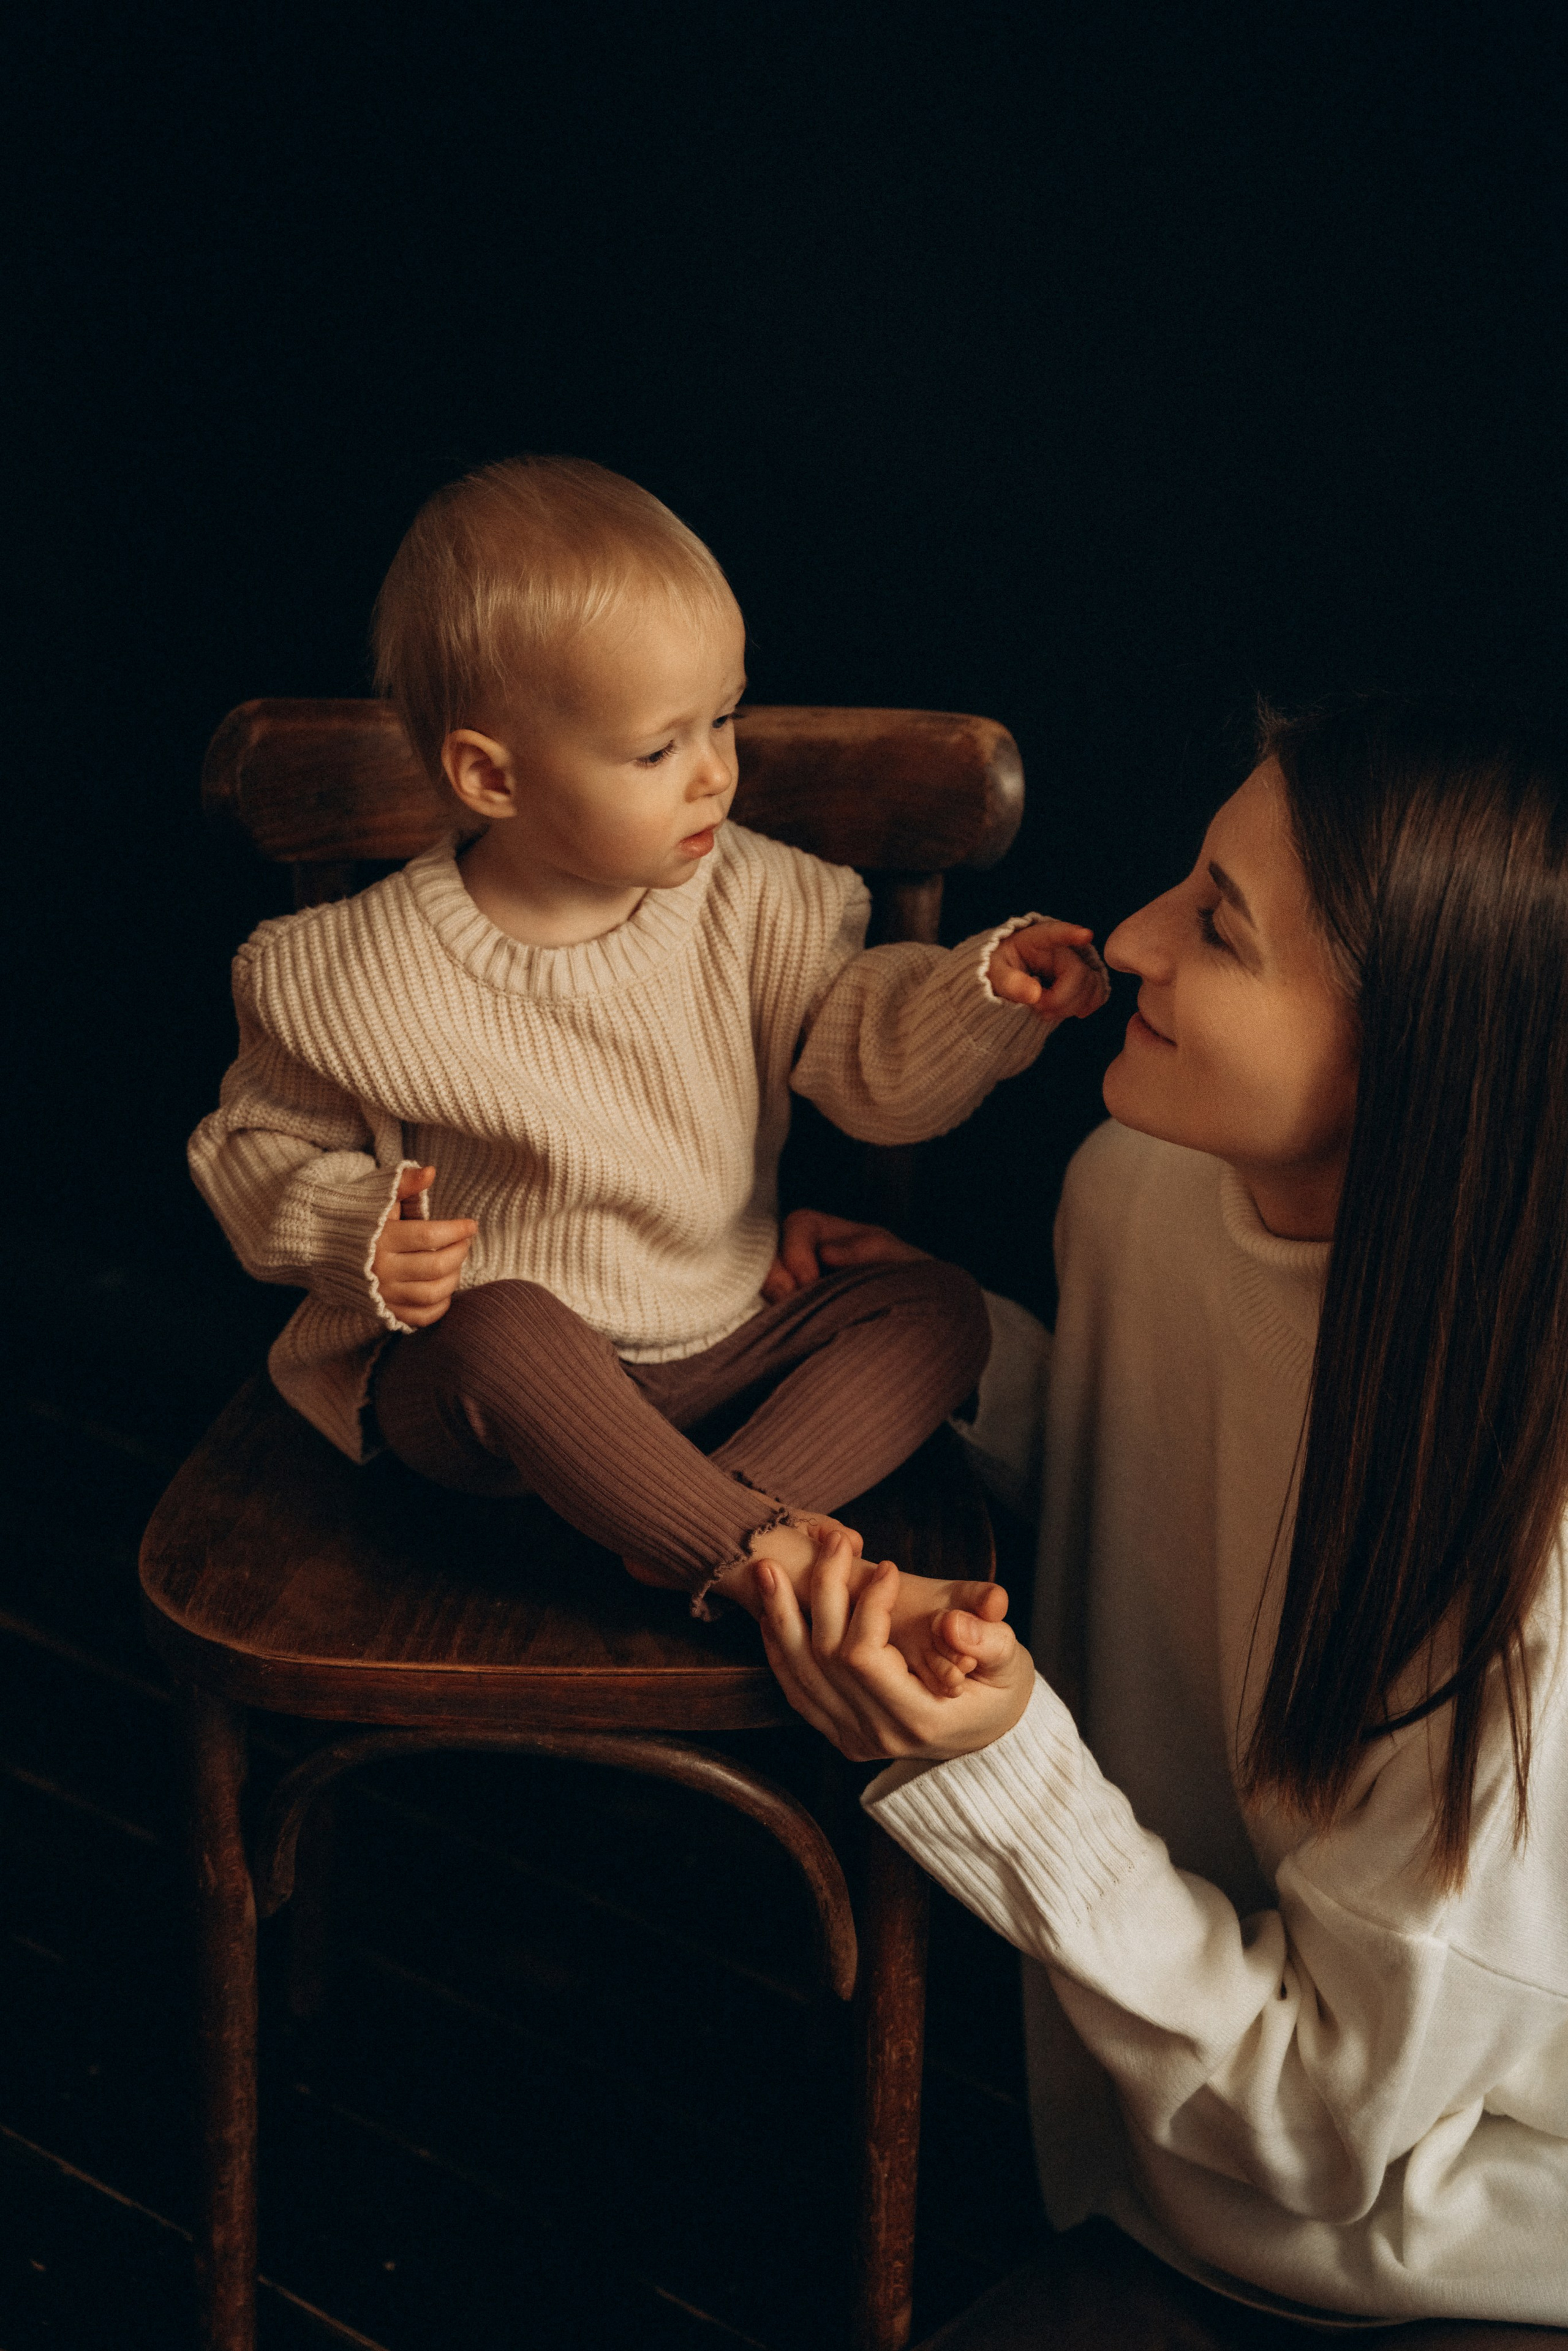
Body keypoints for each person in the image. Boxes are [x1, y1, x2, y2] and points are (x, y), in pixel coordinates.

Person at [757, 696, 1568, 2340]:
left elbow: (1327, 2121)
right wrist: (954, 1352)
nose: (1128, 937)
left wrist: (998, 1765)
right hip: (1154, 2156)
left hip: (1426, 2258)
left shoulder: (1524, 1547)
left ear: (1416, 1049)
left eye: (1221, 923)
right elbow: (1205, 1499)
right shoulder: (1142, 1190)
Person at [188, 455, 1106, 1668]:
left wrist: (978, 995)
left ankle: (695, 1532)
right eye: (655, 748)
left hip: (716, 1350)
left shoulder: (765, 900)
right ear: (490, 775)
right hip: (489, 1403)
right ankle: (756, 1553)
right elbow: (252, 1146)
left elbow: (873, 1071)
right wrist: (350, 1229)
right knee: (501, 1323)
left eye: (720, 717)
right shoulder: (345, 971)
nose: (716, 770)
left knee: (934, 1308)